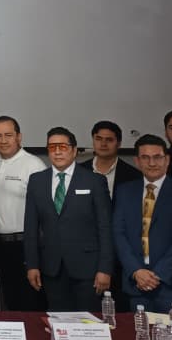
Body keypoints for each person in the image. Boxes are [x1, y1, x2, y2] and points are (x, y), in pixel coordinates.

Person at [23, 127, 113, 313]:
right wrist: (32, 265)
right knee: (58, 322)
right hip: (51, 268)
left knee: (88, 322)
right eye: (52, 147)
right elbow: (31, 227)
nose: (57, 152)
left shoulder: (94, 181)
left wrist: (105, 268)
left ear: (74, 150)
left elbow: (105, 227)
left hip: (88, 268)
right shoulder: (37, 181)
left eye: (63, 147)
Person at [112, 134, 172, 313]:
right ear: (137, 161)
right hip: (136, 284)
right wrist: (136, 270)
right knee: (137, 330)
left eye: (157, 157)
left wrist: (158, 275)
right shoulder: (124, 191)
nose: (152, 163)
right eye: (145, 157)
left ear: (167, 160)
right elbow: (118, 234)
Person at [0, 116, 46, 311]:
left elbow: (44, 211)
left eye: (8, 135)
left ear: (19, 137)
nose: (3, 141)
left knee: (29, 300)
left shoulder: (34, 165)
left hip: (26, 244)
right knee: (9, 299)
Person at [83, 120, 140, 199]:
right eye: (98, 139)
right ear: (93, 141)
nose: (103, 144)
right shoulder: (78, 171)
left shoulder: (134, 176)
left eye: (109, 140)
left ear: (119, 144)